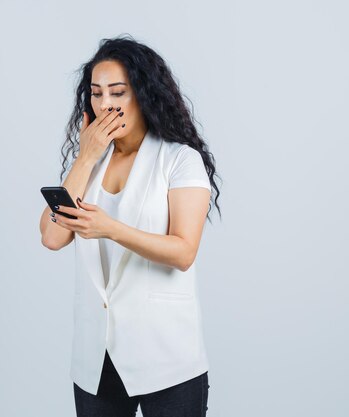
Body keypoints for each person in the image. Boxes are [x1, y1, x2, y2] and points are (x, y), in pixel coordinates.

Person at [39, 34, 222, 417]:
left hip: (167, 355)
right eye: (96, 93)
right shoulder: (90, 165)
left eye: (118, 92)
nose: (105, 104)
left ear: (143, 94)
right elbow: (53, 236)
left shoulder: (179, 160)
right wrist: (85, 157)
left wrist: (110, 228)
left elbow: (184, 251)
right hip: (97, 358)